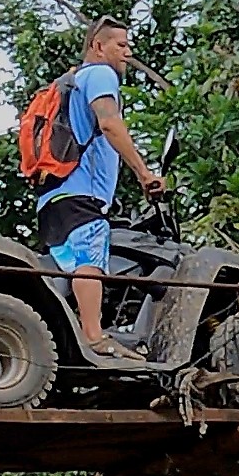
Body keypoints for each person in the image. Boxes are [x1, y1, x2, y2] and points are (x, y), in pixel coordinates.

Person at [35, 18, 166, 362]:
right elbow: (109, 123)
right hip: (80, 196)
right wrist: (144, 173)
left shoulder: (73, 83)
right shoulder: (99, 74)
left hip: (52, 197)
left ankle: (72, 336)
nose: (128, 52)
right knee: (90, 259)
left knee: (69, 270)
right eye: (121, 45)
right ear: (98, 46)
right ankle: (95, 338)